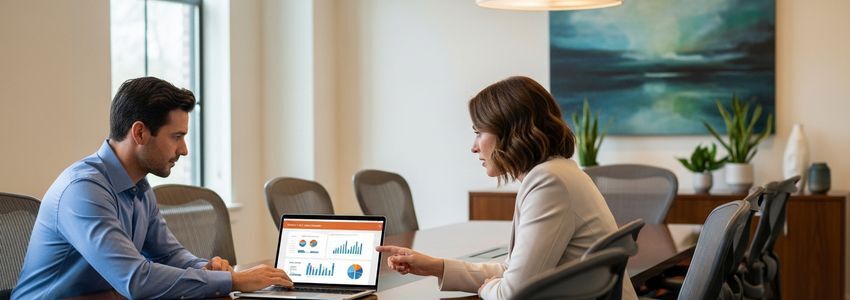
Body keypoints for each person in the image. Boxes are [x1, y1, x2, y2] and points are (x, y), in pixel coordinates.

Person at [13, 77, 292, 299]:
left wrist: (204, 267)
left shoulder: (140, 185)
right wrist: (232, 279)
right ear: (139, 133)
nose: (183, 149)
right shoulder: (83, 190)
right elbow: (136, 279)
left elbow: (168, 254)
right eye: (176, 137)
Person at [376, 76, 638, 300]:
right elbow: (514, 271)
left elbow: (513, 293)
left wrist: (488, 290)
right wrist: (435, 266)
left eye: (479, 132)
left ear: (511, 132)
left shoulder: (549, 182)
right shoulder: (558, 172)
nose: (474, 146)